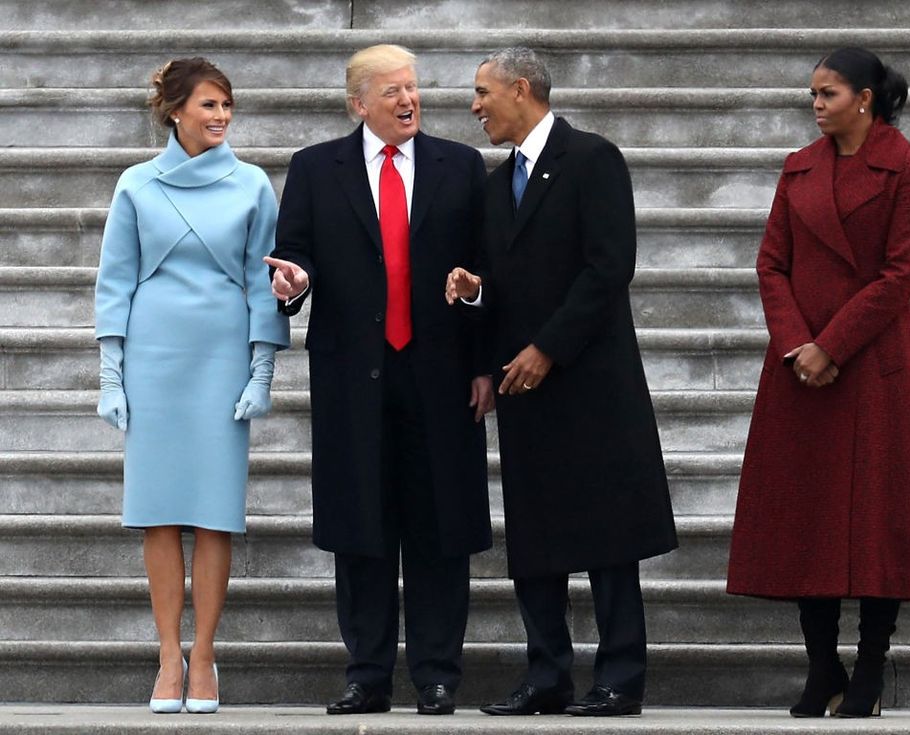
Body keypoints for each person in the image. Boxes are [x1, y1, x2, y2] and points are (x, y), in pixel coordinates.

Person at [446, 47, 677, 717]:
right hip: (524, 390)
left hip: (591, 382)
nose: (475, 105)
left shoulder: (593, 159)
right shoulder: (495, 186)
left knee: (609, 536)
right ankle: (547, 673)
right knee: (536, 537)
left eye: (484, 91)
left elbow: (609, 267)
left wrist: (547, 347)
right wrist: (474, 292)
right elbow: (508, 283)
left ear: (522, 90)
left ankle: (620, 676)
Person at [265, 44, 492, 717]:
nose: (408, 101)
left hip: (442, 376)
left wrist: (483, 356)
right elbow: (294, 251)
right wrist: (293, 283)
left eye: (414, 88)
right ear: (358, 102)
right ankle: (366, 674)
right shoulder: (315, 168)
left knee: (440, 528)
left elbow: (484, 266)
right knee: (360, 527)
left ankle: (437, 674)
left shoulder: (460, 166)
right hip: (352, 378)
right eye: (392, 91)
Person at [726, 47, 910, 718]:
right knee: (806, 517)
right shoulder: (798, 168)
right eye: (813, 94)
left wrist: (832, 345)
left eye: (827, 93)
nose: (816, 104)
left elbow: (898, 275)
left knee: (879, 521)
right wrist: (798, 343)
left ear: (865, 99)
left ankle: (870, 671)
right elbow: (771, 264)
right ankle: (823, 664)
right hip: (800, 369)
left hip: (872, 366)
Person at [94, 57, 290, 714]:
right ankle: (165, 655)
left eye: (227, 106)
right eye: (209, 105)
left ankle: (203, 654)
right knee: (157, 512)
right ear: (175, 110)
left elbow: (264, 283)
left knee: (213, 514)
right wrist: (111, 374)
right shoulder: (136, 185)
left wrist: (262, 370)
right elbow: (115, 281)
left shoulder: (252, 184)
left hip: (220, 357)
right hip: (155, 357)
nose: (221, 117)